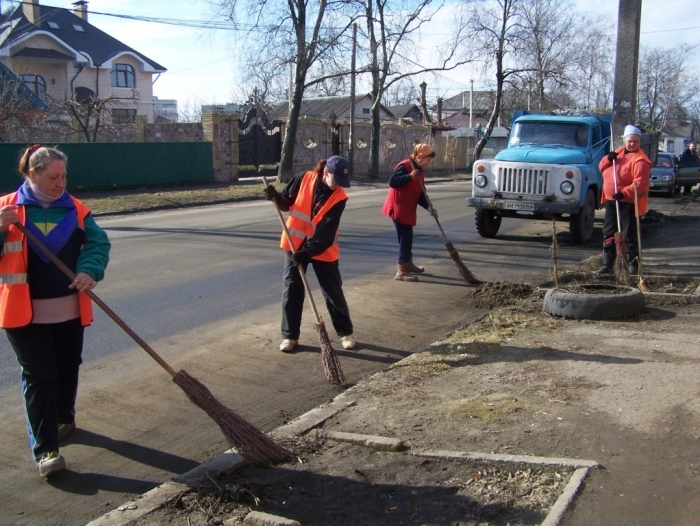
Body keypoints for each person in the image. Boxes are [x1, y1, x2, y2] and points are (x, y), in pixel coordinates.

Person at [0, 145, 110, 477]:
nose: (60, 183)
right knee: (39, 377)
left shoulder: (77, 210)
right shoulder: (6, 209)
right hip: (22, 314)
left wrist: (90, 270)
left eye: (63, 176)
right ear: (32, 175)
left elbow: (98, 244)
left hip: (69, 310)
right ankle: (47, 450)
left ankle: (64, 416)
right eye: (53, 177)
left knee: (67, 367)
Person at [263, 155, 355, 353]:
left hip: (322, 249)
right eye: (336, 180)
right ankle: (290, 337)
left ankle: (345, 333)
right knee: (292, 291)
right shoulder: (304, 178)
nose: (338, 186)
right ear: (326, 172)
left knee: (333, 293)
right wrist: (275, 197)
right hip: (295, 245)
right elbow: (286, 202)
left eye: (342, 182)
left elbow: (326, 231)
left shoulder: (339, 198)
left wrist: (309, 251)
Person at [596, 125, 651, 276]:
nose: (632, 144)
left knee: (629, 234)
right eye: (629, 141)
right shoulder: (617, 153)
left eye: (635, 141)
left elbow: (639, 184)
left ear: (639, 142)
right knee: (609, 232)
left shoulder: (640, 160)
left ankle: (633, 264)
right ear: (625, 141)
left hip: (629, 203)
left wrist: (623, 193)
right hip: (610, 200)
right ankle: (608, 263)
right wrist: (608, 158)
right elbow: (601, 166)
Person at [381, 143, 438, 282]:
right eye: (427, 159)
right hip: (398, 208)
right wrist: (409, 177)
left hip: (408, 208)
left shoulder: (419, 172)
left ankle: (408, 263)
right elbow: (393, 181)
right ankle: (402, 270)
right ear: (420, 158)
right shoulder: (405, 166)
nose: (428, 162)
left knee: (408, 237)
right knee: (405, 238)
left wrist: (430, 207)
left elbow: (421, 194)